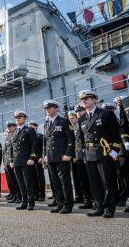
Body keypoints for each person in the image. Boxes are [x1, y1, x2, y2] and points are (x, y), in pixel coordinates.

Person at [78, 90, 121, 218]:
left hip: (104, 152)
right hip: (90, 154)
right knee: (94, 182)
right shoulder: (82, 119)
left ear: (94, 100)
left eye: (87, 98)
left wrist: (114, 152)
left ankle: (109, 207)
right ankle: (99, 206)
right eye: (82, 99)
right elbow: (80, 139)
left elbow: (116, 134)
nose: (84, 101)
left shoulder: (106, 113)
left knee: (107, 181)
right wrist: (84, 154)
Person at [43, 100, 75, 214]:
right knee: (55, 182)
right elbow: (46, 142)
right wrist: (45, 156)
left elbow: (71, 139)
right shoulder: (46, 124)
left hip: (62, 157)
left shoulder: (64, 121)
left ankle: (68, 204)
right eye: (46, 108)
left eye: (50, 107)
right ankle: (60, 203)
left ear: (56, 109)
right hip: (51, 157)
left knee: (64, 181)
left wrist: (68, 154)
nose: (48, 109)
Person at [11, 110, 37, 210]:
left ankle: (31, 202)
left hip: (26, 161)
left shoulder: (29, 130)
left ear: (24, 118)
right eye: (16, 118)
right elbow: (13, 147)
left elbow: (34, 145)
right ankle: (24, 201)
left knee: (28, 182)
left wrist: (32, 158)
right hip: (17, 161)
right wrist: (12, 160)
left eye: (19, 117)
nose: (17, 119)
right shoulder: (15, 132)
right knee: (21, 183)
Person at [68, 109, 93, 209]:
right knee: (80, 178)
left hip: (84, 155)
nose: (72, 120)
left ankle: (91, 199)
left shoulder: (81, 125)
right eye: (70, 118)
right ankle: (85, 199)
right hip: (77, 155)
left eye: (73, 117)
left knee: (87, 178)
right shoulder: (71, 127)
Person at [4, 121, 21, 204]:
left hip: (15, 162)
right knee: (12, 181)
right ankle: (15, 195)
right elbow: (7, 152)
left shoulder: (15, 135)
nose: (9, 129)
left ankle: (19, 196)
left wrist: (12, 161)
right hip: (9, 162)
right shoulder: (9, 138)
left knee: (16, 180)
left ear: (14, 127)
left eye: (10, 127)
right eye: (8, 127)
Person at [28, 121, 46, 202]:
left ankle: (42, 195)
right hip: (31, 160)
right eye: (30, 126)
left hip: (38, 159)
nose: (31, 127)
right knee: (33, 178)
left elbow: (44, 147)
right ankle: (35, 194)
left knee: (40, 177)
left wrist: (42, 157)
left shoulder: (40, 136)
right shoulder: (29, 136)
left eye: (33, 125)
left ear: (36, 127)